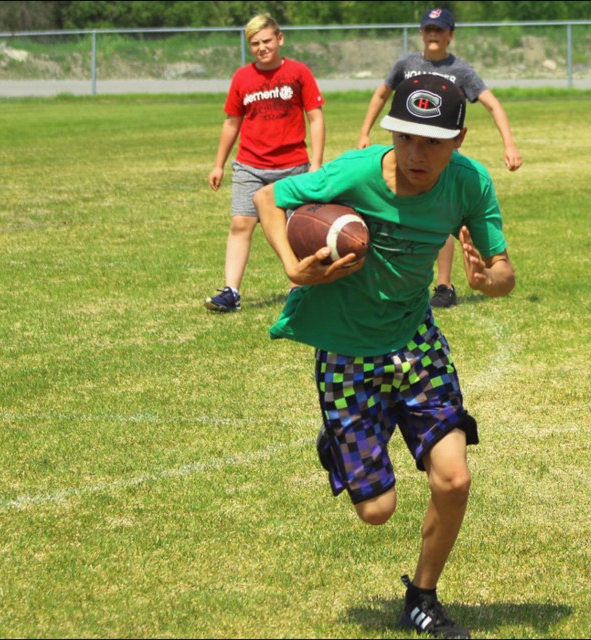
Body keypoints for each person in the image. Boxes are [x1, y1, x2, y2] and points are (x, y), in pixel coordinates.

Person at [254, 75, 515, 638]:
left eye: (434, 142)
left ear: (460, 139)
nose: (417, 155)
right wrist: (290, 264)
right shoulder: (357, 171)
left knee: (453, 480)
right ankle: (343, 445)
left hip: (414, 344)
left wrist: (486, 278)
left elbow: (503, 274)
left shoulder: (470, 184)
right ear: (391, 131)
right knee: (377, 512)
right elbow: (267, 199)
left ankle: (422, 597)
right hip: (347, 357)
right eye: (406, 138)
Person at [356, 6, 521, 310]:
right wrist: (365, 131)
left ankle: (444, 285)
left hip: (442, 159)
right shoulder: (406, 64)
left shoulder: (460, 70)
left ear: (450, 35)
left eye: (440, 29)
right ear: (421, 33)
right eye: (428, 29)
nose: (433, 34)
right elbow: (381, 95)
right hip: (410, 154)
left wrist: (509, 144)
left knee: (442, 222)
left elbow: (493, 104)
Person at [204, 13, 325, 313]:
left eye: (267, 40)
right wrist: (219, 164)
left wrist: (317, 164)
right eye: (254, 43)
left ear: (280, 39)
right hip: (250, 165)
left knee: (294, 229)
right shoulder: (242, 78)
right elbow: (232, 122)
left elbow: (316, 118)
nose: (261, 47)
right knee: (240, 224)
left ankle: (299, 287)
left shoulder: (298, 72)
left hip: (293, 165)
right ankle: (231, 292)